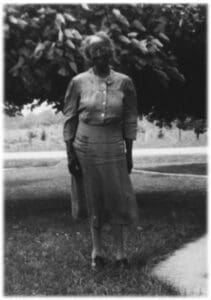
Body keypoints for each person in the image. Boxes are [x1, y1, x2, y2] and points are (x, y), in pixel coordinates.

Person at [63, 31, 139, 270]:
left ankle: (120, 253)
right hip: (84, 146)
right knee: (93, 197)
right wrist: (69, 154)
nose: (100, 53)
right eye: (94, 49)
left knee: (116, 197)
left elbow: (129, 118)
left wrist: (129, 152)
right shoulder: (78, 82)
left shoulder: (124, 81)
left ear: (110, 51)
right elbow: (69, 119)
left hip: (114, 144)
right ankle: (97, 252)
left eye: (104, 48)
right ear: (88, 54)